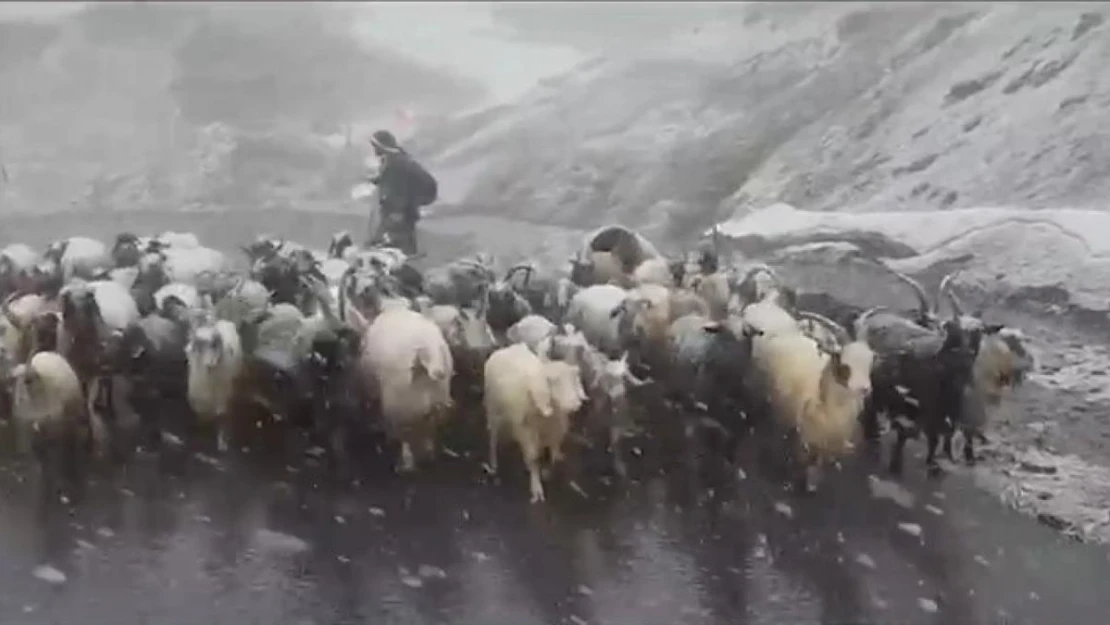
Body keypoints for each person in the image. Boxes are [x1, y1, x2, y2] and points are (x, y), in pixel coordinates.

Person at [365, 129, 438, 256]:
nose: (374, 150)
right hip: (404, 210)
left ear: (381, 146)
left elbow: (398, 189)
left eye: (375, 146)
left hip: (400, 212)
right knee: (397, 238)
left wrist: (396, 212)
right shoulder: (396, 158)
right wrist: (377, 179)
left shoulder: (396, 164)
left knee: (394, 240)